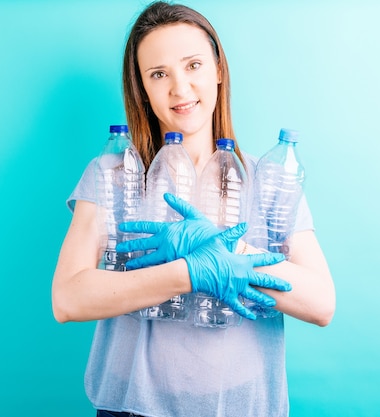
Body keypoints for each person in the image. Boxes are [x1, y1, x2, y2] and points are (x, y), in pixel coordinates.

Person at [51, 1, 335, 416]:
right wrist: (186, 273)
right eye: (159, 74)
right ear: (142, 89)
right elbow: (68, 299)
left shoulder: (268, 179)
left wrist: (227, 253)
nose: (180, 89)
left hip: (238, 405)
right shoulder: (114, 174)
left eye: (193, 66)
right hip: (132, 408)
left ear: (219, 70)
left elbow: (321, 303)